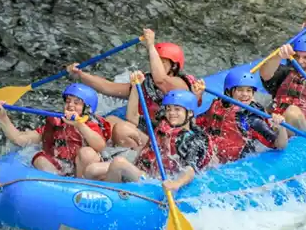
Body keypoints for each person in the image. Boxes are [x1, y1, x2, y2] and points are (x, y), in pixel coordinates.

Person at [67, 28, 198, 148]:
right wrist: (81, 74)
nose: (154, 65)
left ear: (174, 67)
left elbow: (161, 80)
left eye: (160, 62)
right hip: (148, 132)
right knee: (109, 122)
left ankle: (141, 161)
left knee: (121, 129)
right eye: (154, 60)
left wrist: (151, 45)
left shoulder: (181, 84)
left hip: (171, 139)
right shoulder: (146, 82)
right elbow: (108, 87)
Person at [85, 73, 213, 191]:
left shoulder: (195, 140)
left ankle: (112, 198)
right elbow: (133, 117)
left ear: (189, 113)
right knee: (92, 169)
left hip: (157, 181)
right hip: (143, 169)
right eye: (169, 109)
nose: (171, 113)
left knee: (119, 163)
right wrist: (136, 87)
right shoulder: (162, 125)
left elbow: (189, 170)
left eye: (177, 109)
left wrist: (175, 184)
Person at [0, 84, 111, 177]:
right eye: (68, 101)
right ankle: (58, 187)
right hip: (63, 169)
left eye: (76, 103)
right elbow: (19, 139)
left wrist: (79, 125)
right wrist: (3, 117)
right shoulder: (56, 123)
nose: (70, 105)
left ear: (87, 109)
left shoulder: (90, 125)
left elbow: (100, 146)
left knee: (87, 153)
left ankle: (80, 188)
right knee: (40, 159)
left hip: (85, 172)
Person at [192, 69, 289, 163]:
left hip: (232, 160)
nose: (245, 94)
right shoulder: (218, 104)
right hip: (209, 149)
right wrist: (196, 98)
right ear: (228, 92)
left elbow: (279, 145)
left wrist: (281, 127)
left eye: (249, 90)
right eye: (240, 90)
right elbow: (195, 123)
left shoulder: (250, 118)